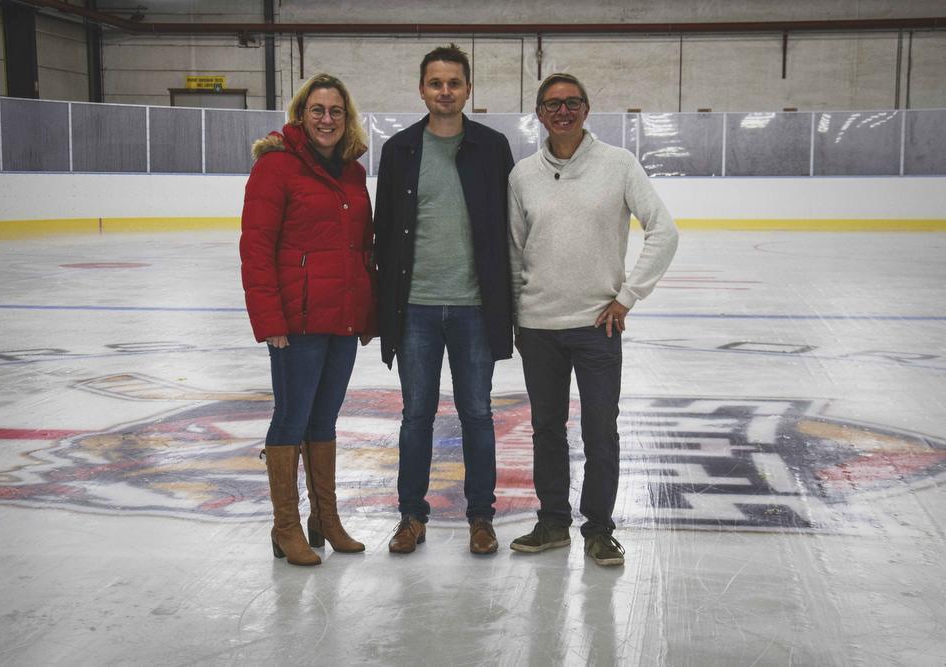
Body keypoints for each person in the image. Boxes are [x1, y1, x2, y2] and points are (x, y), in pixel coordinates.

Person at [507, 73, 679, 566]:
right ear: (539, 114)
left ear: (586, 109)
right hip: (538, 327)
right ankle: (553, 522)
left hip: (597, 327)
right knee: (546, 429)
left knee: (600, 430)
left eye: (572, 102)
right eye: (553, 104)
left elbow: (663, 232)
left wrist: (627, 296)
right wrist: (519, 315)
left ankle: (599, 529)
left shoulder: (618, 165)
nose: (563, 111)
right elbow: (514, 252)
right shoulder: (522, 175)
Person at [373, 44, 515, 555]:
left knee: (477, 413)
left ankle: (481, 517)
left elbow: (506, 230)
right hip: (416, 309)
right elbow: (384, 232)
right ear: (422, 90)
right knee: (416, 416)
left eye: (454, 83)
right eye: (436, 83)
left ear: (468, 89)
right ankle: (411, 516)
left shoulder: (493, 147)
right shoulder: (400, 150)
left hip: (475, 307)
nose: (445, 91)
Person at [240, 73, 377, 566]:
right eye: (317, 110)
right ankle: (286, 527)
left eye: (336, 111)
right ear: (302, 115)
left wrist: (366, 309)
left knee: (324, 419)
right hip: (295, 322)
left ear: (347, 118)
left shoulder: (352, 172)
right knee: (291, 417)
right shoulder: (275, 168)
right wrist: (269, 318)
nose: (327, 120)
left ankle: (326, 519)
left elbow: (361, 248)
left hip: (340, 317)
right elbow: (256, 249)